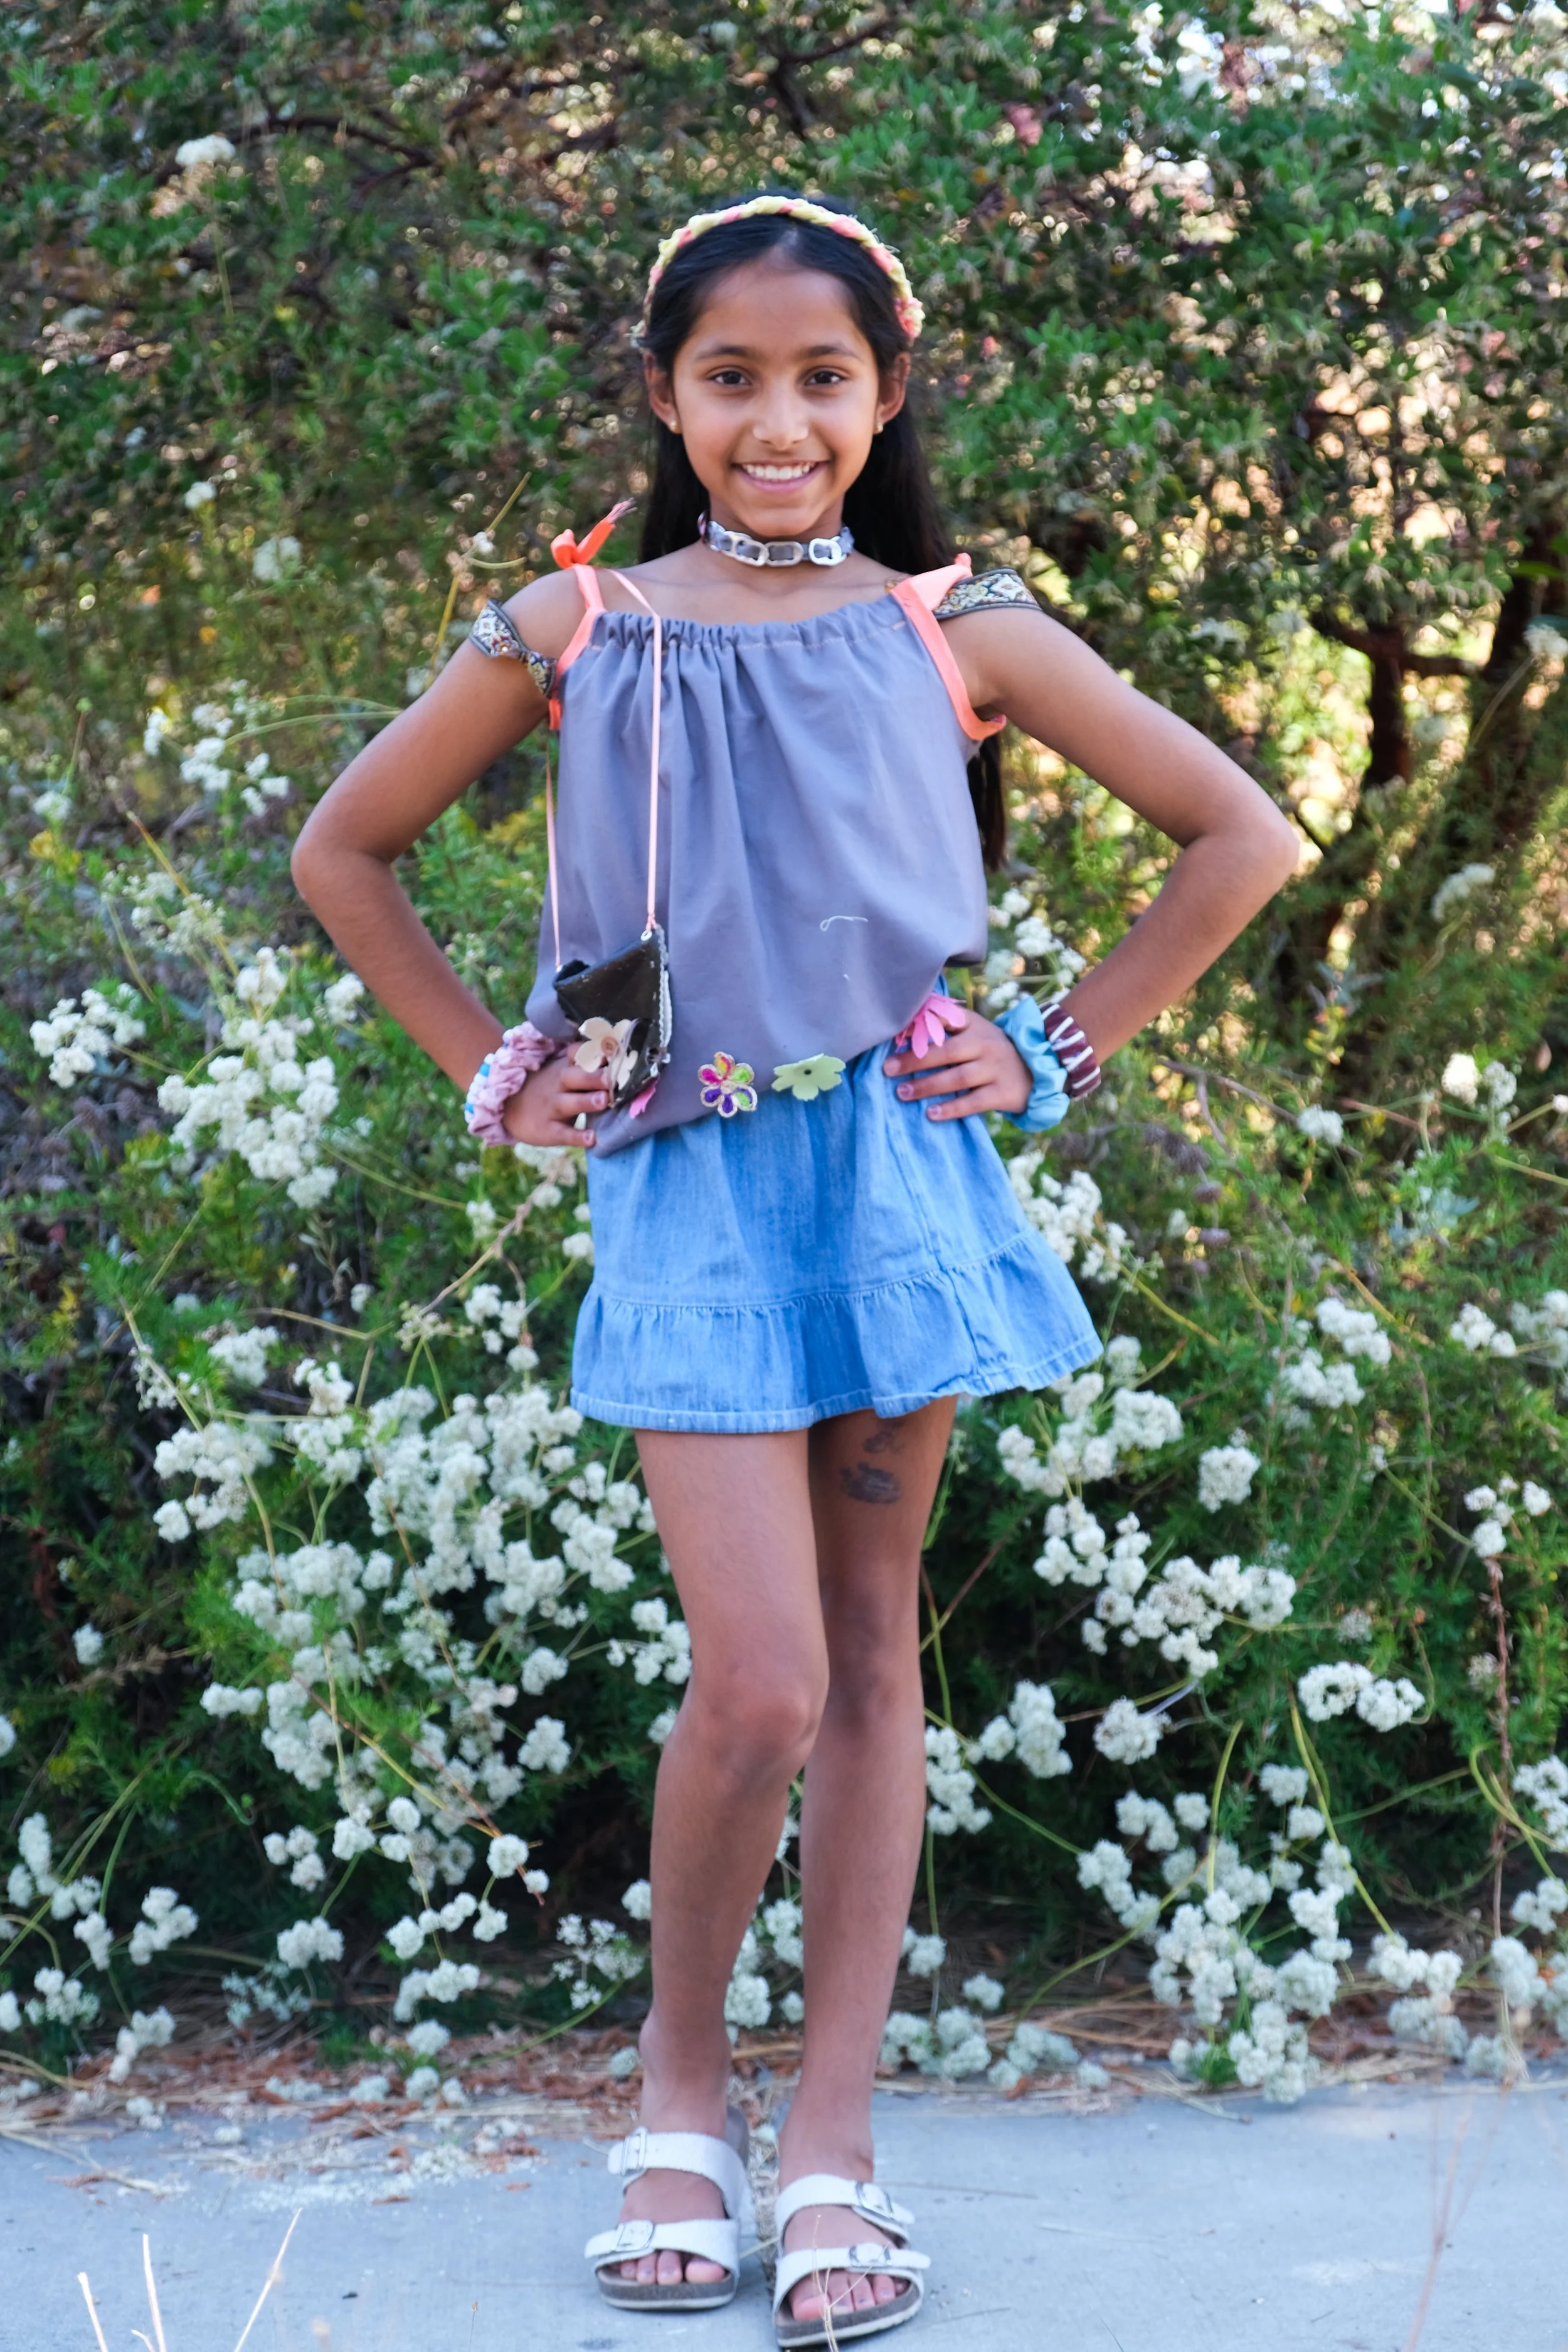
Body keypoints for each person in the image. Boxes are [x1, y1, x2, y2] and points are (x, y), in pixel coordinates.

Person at [292, 191, 1298, 2347]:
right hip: (684, 1178)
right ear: (664, 395)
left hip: (894, 1178)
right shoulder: (571, 632)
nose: (776, 420)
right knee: (754, 1676)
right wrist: (496, 1074)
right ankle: (677, 2091)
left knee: (861, 1651)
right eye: (730, 377)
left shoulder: (962, 627)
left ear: (882, 393)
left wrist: (1043, 1046)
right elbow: (340, 850)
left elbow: (1241, 837)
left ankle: (831, 2141)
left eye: (819, 377)